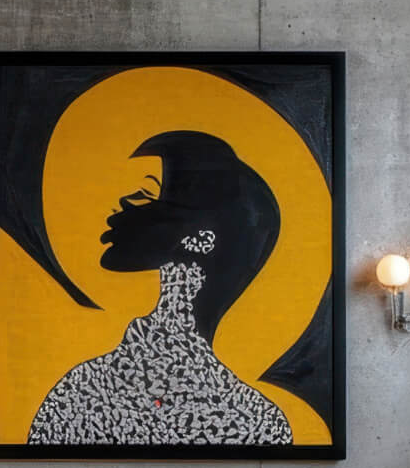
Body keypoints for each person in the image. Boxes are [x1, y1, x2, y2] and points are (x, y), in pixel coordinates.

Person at [27, 131, 291, 447]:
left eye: (146, 195)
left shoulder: (80, 393)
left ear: (201, 239)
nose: (123, 206)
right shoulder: (261, 419)